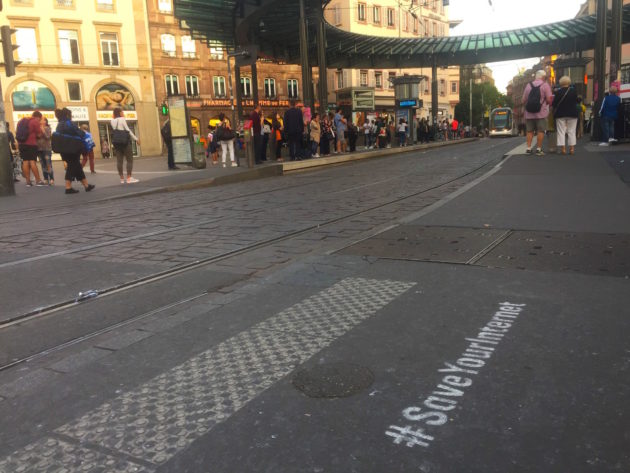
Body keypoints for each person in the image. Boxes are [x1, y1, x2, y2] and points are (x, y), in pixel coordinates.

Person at [55, 108, 95, 194]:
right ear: (67, 115)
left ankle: (86, 186)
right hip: (72, 148)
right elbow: (79, 133)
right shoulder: (68, 123)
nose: (71, 117)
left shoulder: (59, 124)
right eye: (71, 115)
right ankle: (68, 187)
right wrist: (83, 133)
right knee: (72, 166)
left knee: (77, 167)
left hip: (64, 149)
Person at [522, 70, 553, 156]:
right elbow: (549, 99)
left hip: (529, 113)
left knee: (529, 131)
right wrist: (546, 104)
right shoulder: (545, 85)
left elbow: (523, 100)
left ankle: (528, 149)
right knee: (541, 130)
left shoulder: (528, 85)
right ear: (543, 77)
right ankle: (538, 150)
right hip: (541, 113)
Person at [111, 107, 140, 183]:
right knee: (129, 160)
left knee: (119, 161)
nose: (123, 113)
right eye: (122, 112)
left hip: (117, 143)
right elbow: (128, 130)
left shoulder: (112, 121)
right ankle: (129, 178)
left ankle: (121, 178)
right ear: (119, 113)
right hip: (125, 142)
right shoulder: (122, 119)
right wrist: (136, 139)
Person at [16, 111, 46, 187]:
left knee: (25, 162)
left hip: (21, 144)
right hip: (31, 144)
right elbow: (39, 134)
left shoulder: (21, 121)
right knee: (32, 161)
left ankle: (28, 182)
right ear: (38, 117)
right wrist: (42, 127)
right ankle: (38, 181)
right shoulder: (35, 121)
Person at [552, 76, 579, 155]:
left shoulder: (558, 92)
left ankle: (563, 149)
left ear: (560, 83)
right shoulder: (574, 91)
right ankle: (571, 149)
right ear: (569, 82)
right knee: (572, 131)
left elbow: (554, 104)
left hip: (560, 114)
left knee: (561, 131)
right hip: (572, 113)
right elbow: (577, 101)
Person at [36, 117, 53, 185]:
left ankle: (51, 178)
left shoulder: (48, 128)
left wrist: (43, 130)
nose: (41, 121)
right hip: (39, 149)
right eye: (40, 120)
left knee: (48, 164)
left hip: (46, 149)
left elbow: (48, 137)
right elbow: (37, 137)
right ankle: (45, 178)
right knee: (43, 164)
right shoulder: (37, 128)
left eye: (43, 120)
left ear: (46, 121)